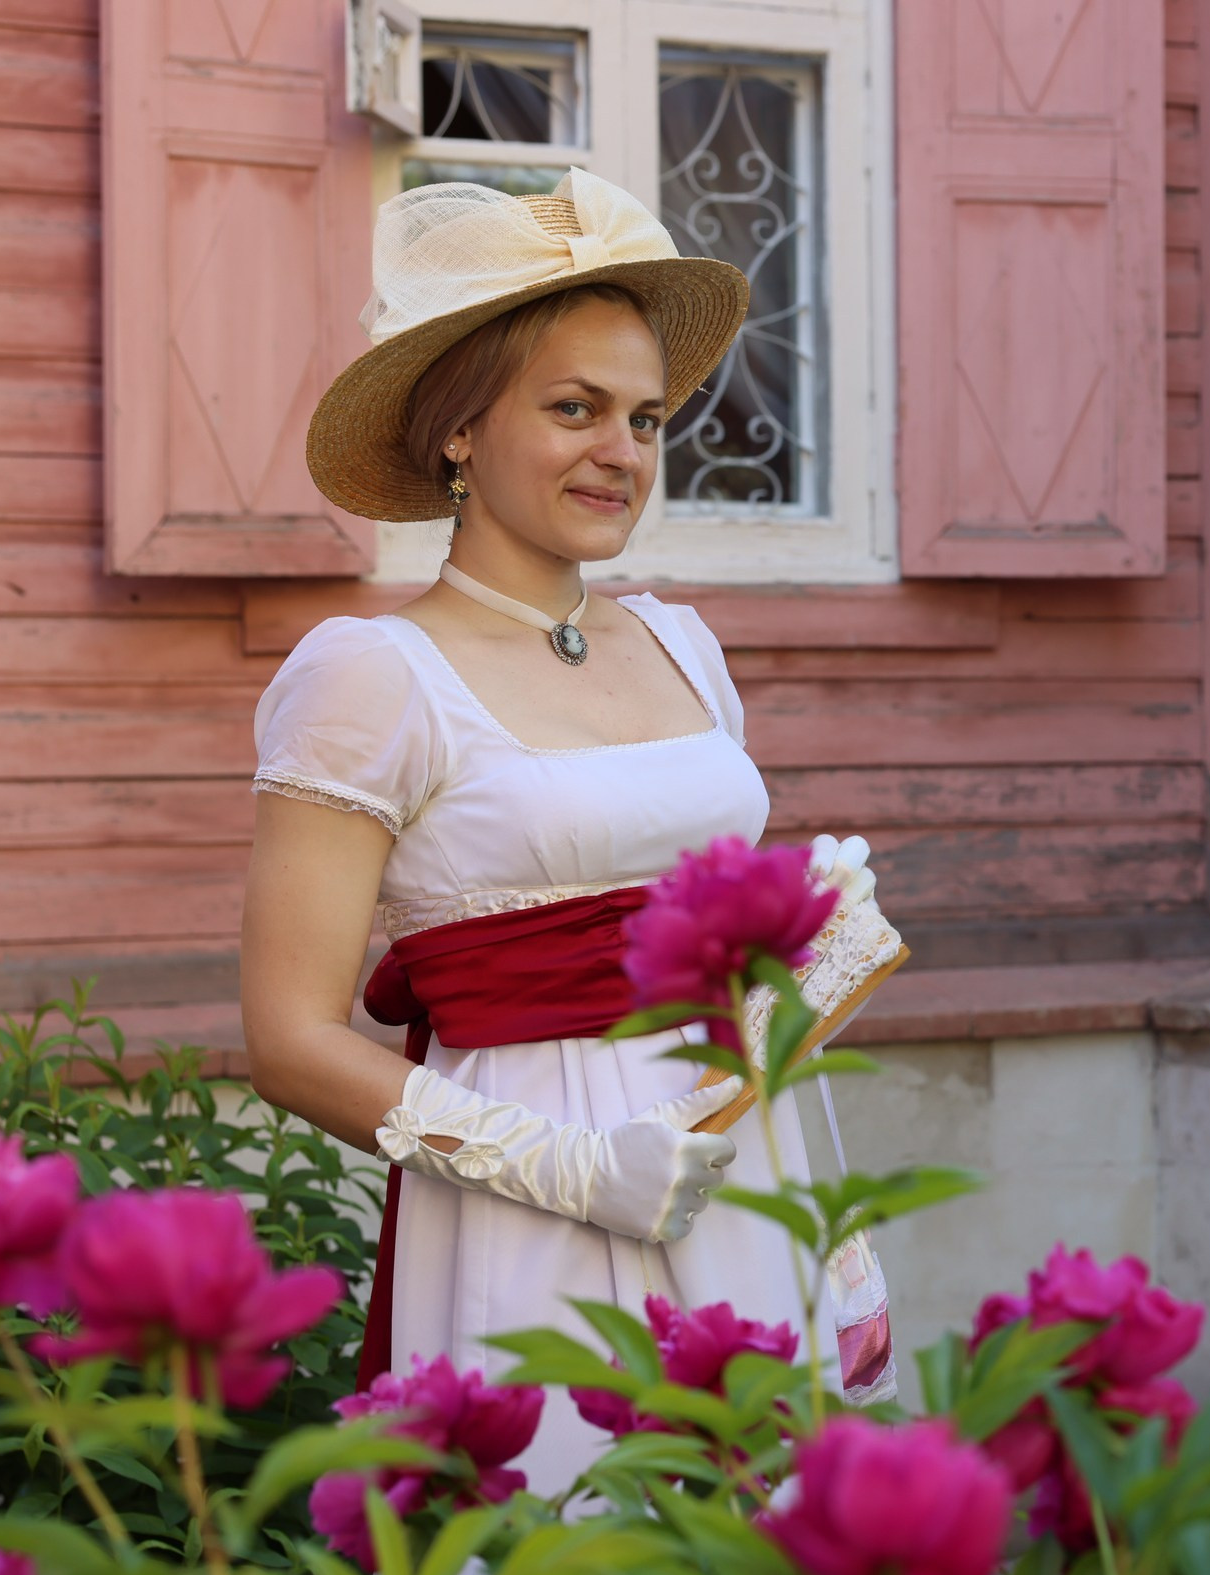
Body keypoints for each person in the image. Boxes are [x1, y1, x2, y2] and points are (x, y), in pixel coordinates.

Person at [242, 169, 861, 1490]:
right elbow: (288, 1040)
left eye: (644, 417)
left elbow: (734, 941)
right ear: (460, 433)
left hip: (738, 1169)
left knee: (782, 1568)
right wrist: (570, 1169)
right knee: (571, 1558)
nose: (620, 452)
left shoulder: (685, 647)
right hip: (534, 1210)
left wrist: (816, 967)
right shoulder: (370, 675)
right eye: (572, 408)